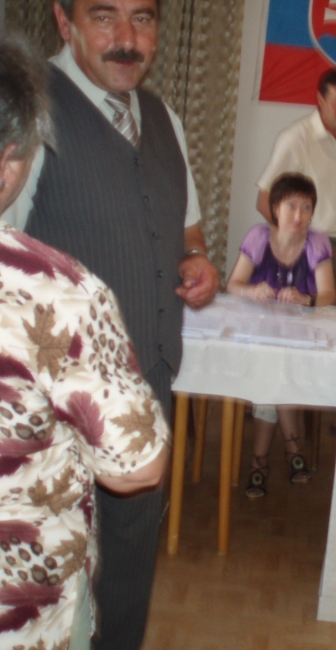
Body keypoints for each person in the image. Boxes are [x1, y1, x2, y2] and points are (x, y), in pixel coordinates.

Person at [8, 1, 220, 648]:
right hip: (46, 419)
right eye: (104, 16)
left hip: (144, 389)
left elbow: (188, 229)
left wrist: (195, 258)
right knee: (47, 581)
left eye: (143, 19)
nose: (127, 39)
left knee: (128, 574)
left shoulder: (165, 120)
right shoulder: (30, 111)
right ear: (63, 20)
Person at [0, 34, 169, 649]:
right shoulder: (56, 292)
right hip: (23, 610)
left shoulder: (162, 122)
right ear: (10, 161)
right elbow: (137, 466)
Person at [226, 173, 335, 496]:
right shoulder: (258, 237)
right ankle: (293, 449)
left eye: (306, 207)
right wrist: (252, 291)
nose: (299, 215)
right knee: (273, 366)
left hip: (303, 341)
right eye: (291, 206)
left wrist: (306, 299)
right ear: (275, 208)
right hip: (258, 336)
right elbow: (233, 285)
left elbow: (329, 295)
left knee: (277, 368)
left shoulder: (317, 242)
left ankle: (259, 462)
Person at [256, 68, 336, 310]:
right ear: (320, 99)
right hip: (307, 250)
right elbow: (264, 201)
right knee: (304, 321)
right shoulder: (296, 138)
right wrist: (305, 242)